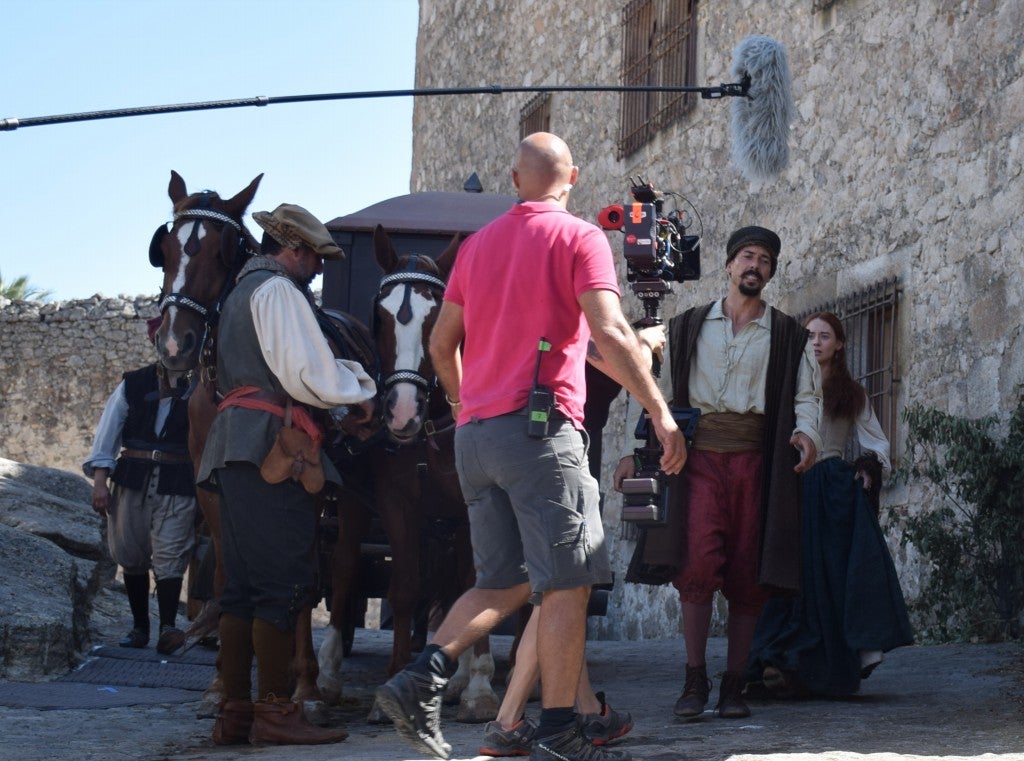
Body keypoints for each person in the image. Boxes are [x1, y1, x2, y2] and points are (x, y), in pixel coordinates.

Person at [375, 132, 686, 761]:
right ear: (573, 178)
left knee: (506, 582)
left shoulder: (478, 247)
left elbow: (441, 348)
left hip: (476, 441)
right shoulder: (580, 237)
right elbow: (609, 330)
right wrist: (661, 412)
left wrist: (466, 410)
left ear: (515, 182)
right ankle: (561, 726)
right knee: (568, 580)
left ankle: (419, 679)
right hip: (541, 434)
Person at [617, 225, 822, 720]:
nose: (755, 266)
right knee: (697, 566)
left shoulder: (790, 335)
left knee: (748, 572)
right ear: (729, 265)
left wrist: (808, 434)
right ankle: (694, 682)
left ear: (770, 273)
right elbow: (650, 390)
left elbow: (807, 396)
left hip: (757, 463)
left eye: (765, 261)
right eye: (747, 257)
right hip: (696, 461)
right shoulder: (686, 326)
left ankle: (734, 685)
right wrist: (631, 448)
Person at [195, 203, 376, 746]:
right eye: (315, 259)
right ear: (293, 251)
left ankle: (236, 713)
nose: (318, 271)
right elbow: (307, 374)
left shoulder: (240, 292)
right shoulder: (278, 291)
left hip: (237, 447)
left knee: (245, 588)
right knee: (279, 582)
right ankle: (275, 713)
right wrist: (362, 390)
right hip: (269, 448)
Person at [745, 311, 913, 697]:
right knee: (786, 573)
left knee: (828, 581)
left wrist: (868, 466)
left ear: (839, 344)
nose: (816, 342)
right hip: (790, 489)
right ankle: (778, 663)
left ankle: (824, 669)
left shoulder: (851, 393)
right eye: (810, 335)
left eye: (824, 336)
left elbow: (876, 442)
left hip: (831, 492)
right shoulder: (784, 387)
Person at [84, 340, 197, 656]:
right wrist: (100, 482)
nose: (175, 351)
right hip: (132, 477)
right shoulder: (133, 383)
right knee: (130, 553)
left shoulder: (204, 386)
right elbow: (107, 434)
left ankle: (167, 629)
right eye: (169, 344)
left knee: (172, 552)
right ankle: (139, 628)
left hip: (179, 481)